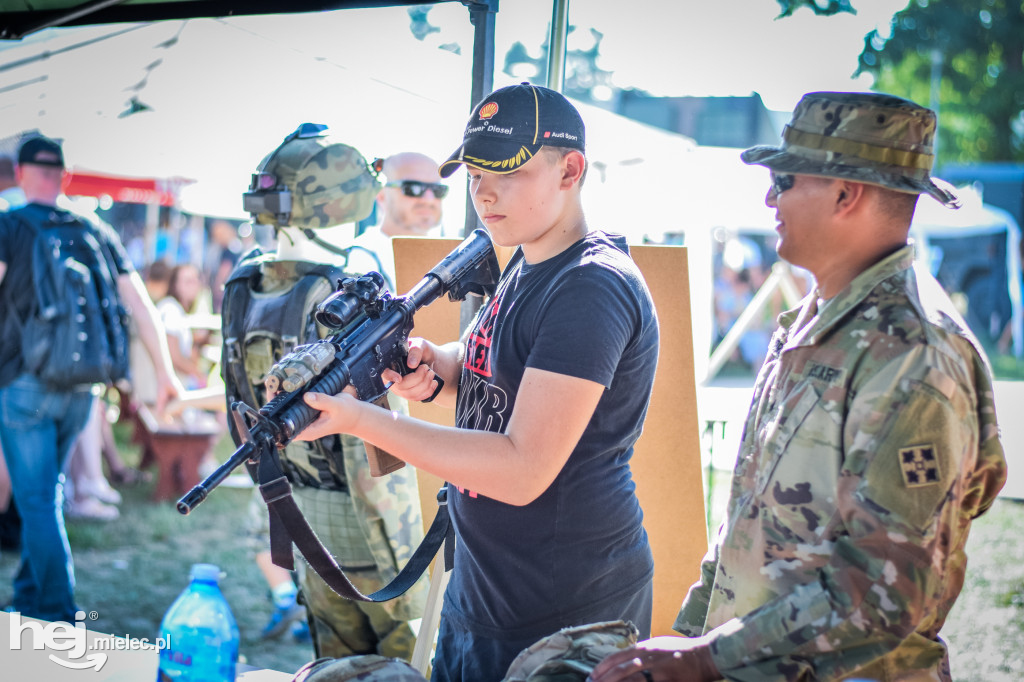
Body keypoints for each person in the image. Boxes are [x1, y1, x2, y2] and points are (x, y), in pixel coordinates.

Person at [589, 92, 1008, 682]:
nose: (769, 199)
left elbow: (884, 590)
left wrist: (707, 657)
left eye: (785, 179)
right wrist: (688, 638)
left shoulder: (914, 352)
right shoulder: (814, 320)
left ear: (846, 194)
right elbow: (749, 524)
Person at [295, 83, 660, 682]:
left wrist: (361, 418)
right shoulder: (528, 254)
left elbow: (521, 469)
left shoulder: (591, 286)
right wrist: (436, 364)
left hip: (564, 613)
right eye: (473, 173)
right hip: (486, 593)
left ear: (571, 170)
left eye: (506, 173)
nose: (483, 192)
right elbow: (504, 361)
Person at [224, 123, 428, 659]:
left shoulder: (242, 286)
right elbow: (377, 455)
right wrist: (406, 558)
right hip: (370, 532)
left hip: (299, 513)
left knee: (335, 664)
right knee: (400, 663)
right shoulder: (343, 291)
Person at [0, 134, 182, 623]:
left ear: (20, 173)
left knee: (38, 500)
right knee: (46, 492)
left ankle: (59, 614)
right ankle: (26, 601)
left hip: (23, 384)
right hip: (83, 388)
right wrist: (165, 374)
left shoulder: (8, 226)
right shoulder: (95, 230)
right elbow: (140, 304)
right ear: (63, 173)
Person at [347, 151, 446, 288]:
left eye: (437, 190)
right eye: (413, 188)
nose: (429, 199)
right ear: (381, 195)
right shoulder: (357, 257)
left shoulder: (456, 254)